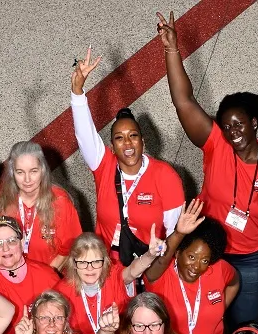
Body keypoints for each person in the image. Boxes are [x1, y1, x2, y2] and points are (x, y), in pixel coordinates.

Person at [159, 11, 258, 325]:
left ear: (255, 123)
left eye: (238, 124)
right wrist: (171, 49)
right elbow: (184, 100)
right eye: (226, 126)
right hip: (208, 253)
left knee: (245, 325)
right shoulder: (216, 145)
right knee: (201, 321)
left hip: (252, 259)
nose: (232, 131)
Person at [70, 49, 185, 260]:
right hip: (106, 268)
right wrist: (78, 92)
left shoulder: (165, 176)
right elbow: (85, 135)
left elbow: (172, 237)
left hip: (150, 267)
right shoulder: (104, 166)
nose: (128, 143)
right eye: (119, 138)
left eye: (133, 135)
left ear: (143, 141)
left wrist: (155, 268)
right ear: (112, 147)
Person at [142, 200, 239, 334]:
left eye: (205, 260)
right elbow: (160, 261)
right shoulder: (161, 275)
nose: (196, 266)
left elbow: (234, 282)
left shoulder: (219, 269)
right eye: (192, 257)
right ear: (178, 253)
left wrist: (220, 309)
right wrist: (179, 234)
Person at [0, 140, 83, 271]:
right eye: (20, 172)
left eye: (33, 171)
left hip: (50, 279)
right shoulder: (0, 201)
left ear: (43, 171)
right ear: (11, 173)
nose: (27, 179)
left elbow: (68, 250)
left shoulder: (60, 202)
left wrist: (41, 280)